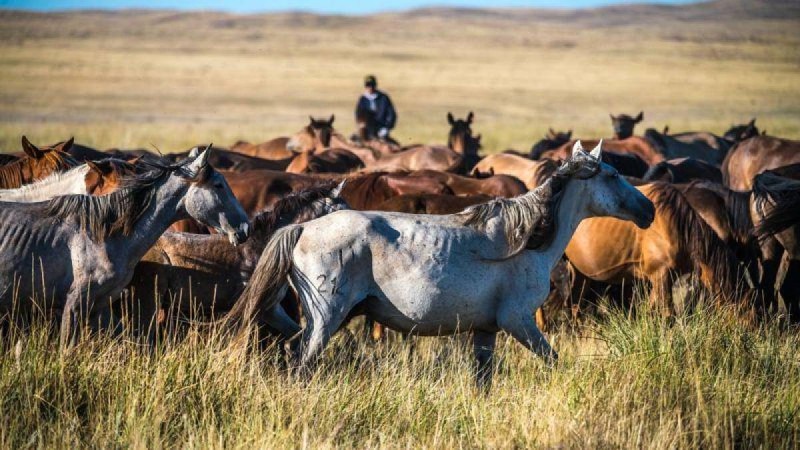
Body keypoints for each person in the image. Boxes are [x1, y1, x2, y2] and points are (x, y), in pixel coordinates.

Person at [355, 75, 397, 141]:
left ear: (375, 85)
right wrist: (361, 126)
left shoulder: (384, 98)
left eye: (372, 85)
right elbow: (358, 115)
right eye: (368, 85)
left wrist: (386, 128)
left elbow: (392, 114)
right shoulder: (362, 99)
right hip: (366, 130)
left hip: (381, 129)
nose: (370, 88)